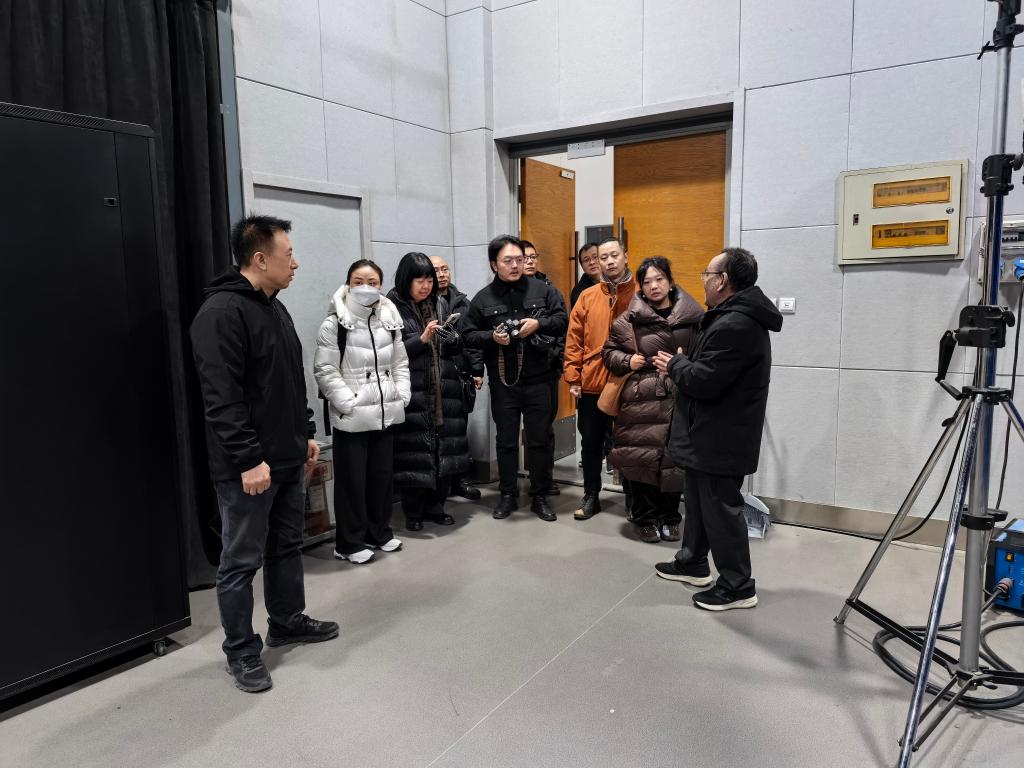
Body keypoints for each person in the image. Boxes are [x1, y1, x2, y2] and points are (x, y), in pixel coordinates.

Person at [190, 214, 338, 693]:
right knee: (240, 561)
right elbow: (221, 399)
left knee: (286, 546)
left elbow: (288, 380)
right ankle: (240, 650)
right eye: (288, 254)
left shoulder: (275, 307)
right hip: (249, 467)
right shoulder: (220, 313)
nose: (295, 263)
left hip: (287, 455)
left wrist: (307, 431)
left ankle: (287, 620)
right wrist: (248, 459)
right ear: (260, 258)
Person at [653, 247, 782, 611]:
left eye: (707, 275)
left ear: (723, 281)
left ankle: (737, 585)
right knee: (698, 504)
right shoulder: (727, 316)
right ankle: (692, 562)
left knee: (722, 511)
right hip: (707, 433)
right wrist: (684, 364)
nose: (704, 282)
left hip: (721, 437)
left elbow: (705, 381)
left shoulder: (736, 324)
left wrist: (675, 365)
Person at [461, 235, 568, 521]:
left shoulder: (543, 290)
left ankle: (540, 495)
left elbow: (562, 320)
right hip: (503, 383)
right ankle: (507, 494)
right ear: (494, 264)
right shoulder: (483, 298)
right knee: (506, 441)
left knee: (539, 440)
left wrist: (539, 323)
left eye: (519, 260)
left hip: (540, 379)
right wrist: (491, 337)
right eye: (507, 260)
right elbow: (468, 335)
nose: (515, 265)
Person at [314, 259, 410, 565]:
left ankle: (379, 532)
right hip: (352, 416)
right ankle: (349, 543)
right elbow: (325, 370)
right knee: (351, 483)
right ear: (348, 284)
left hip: (384, 412)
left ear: (381, 286)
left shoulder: (389, 320)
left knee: (381, 478)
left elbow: (400, 363)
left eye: (372, 282)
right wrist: (349, 403)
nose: (365, 288)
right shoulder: (335, 324)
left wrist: (401, 395)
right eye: (358, 281)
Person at [603, 257, 703, 543]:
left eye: (659, 279)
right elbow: (608, 352)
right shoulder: (629, 319)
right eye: (646, 282)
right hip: (642, 399)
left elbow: (706, 355)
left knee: (675, 461)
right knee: (641, 459)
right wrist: (628, 361)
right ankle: (644, 517)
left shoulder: (694, 317)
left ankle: (670, 517)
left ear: (670, 282)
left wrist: (682, 364)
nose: (654, 286)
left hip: (680, 396)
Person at [388, 252, 470, 531]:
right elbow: (388, 353)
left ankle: (437, 507)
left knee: (442, 450)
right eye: (419, 280)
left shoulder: (440, 303)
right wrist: (421, 340)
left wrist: (453, 338)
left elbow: (457, 347)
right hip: (413, 389)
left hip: (443, 387)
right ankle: (413, 512)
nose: (426, 286)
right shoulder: (392, 307)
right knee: (414, 452)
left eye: (429, 280)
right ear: (406, 280)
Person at [563, 237, 635, 521]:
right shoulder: (588, 296)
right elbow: (574, 339)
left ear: (625, 256)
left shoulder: (640, 292)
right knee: (590, 443)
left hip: (629, 381)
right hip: (592, 381)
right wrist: (573, 377)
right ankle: (591, 494)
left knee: (629, 443)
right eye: (603, 257)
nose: (609, 261)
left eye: (614, 255)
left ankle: (633, 498)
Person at [430, 254, 482, 502]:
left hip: (459, 373)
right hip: (432, 375)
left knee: (459, 429)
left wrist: (476, 370)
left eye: (445, 269)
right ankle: (437, 483)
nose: (442, 274)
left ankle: (460, 480)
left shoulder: (462, 302)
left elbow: (473, 340)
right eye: (436, 270)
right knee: (436, 432)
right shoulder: (423, 301)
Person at [520, 239, 566, 497]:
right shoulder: (508, 291)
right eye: (524, 257)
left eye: (533, 257)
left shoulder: (549, 290)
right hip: (517, 371)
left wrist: (556, 356)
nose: (529, 261)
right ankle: (531, 477)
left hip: (546, 369)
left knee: (544, 427)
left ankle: (544, 479)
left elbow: (563, 325)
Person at [570, 242, 601, 308]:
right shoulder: (579, 292)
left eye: (595, 257)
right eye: (586, 260)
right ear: (582, 266)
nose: (592, 262)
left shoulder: (616, 282)